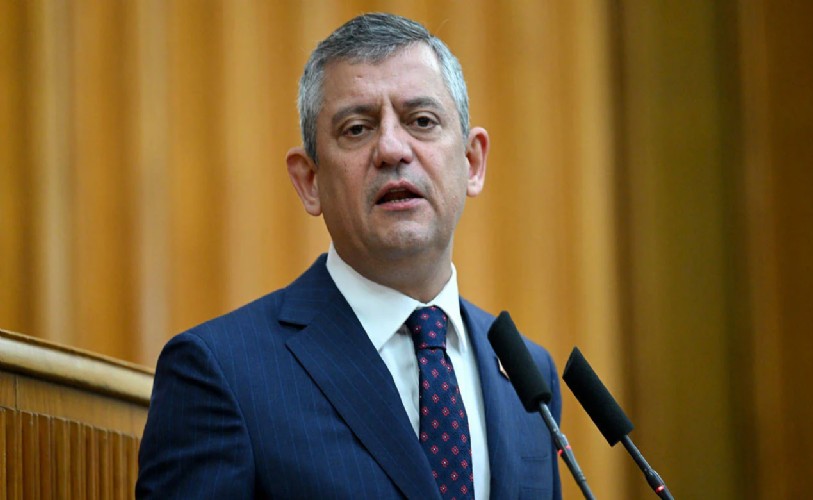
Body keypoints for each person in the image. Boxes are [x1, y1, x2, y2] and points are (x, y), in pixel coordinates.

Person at [137, 12, 562, 500]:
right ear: (309, 181)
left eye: (422, 121)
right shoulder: (221, 371)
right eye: (357, 129)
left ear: (472, 162)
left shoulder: (529, 375)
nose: (392, 149)